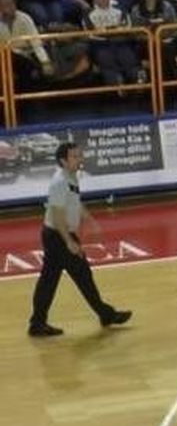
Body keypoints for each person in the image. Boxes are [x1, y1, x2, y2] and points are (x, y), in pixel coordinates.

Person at [27, 142, 132, 337]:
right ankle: (105, 314)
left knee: (49, 280)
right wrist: (69, 241)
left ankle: (37, 323)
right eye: (75, 157)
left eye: (79, 155)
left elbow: (74, 201)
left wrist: (89, 218)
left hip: (57, 235)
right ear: (63, 161)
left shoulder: (71, 176)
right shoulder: (59, 182)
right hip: (58, 235)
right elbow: (57, 215)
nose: (80, 159)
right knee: (82, 275)